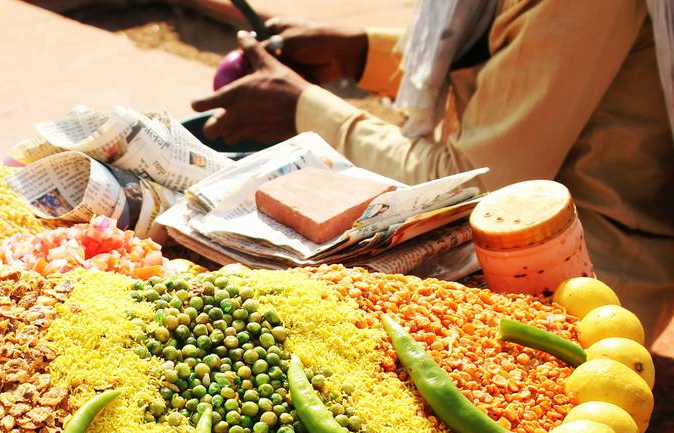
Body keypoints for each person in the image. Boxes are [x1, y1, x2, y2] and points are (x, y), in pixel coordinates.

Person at [191, 1, 674, 344]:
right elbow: (497, 57)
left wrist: (303, 109)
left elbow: (472, 182)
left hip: (588, 274)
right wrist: (361, 54)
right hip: (501, 242)